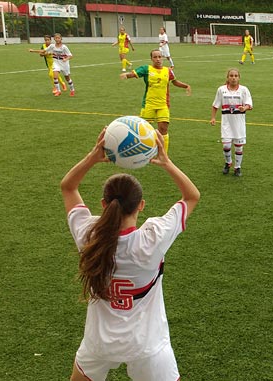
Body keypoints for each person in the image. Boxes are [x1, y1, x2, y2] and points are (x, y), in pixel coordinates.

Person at [61, 127, 200, 381]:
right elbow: (192, 197)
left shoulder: (89, 235)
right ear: (141, 205)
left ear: (104, 204)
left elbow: (68, 187)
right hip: (147, 346)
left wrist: (92, 157)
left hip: (98, 344)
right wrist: (167, 163)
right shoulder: (153, 237)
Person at [120, 49, 191, 154]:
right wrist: (126, 75)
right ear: (151, 59)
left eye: (159, 57)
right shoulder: (146, 69)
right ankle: (141, 152)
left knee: (163, 129)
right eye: (155, 57)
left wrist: (186, 86)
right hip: (149, 104)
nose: (158, 59)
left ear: (162, 58)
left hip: (163, 105)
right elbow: (134, 74)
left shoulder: (168, 71)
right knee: (143, 130)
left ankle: (163, 155)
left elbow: (174, 81)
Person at [211, 69, 253, 177]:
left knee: (239, 147)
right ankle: (228, 162)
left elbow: (249, 105)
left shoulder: (244, 90)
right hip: (226, 123)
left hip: (239, 124)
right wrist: (213, 118)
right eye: (231, 75)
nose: (233, 78)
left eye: (235, 76)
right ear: (228, 77)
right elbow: (215, 105)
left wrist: (244, 108)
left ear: (239, 77)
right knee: (226, 145)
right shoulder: (221, 90)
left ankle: (237, 167)